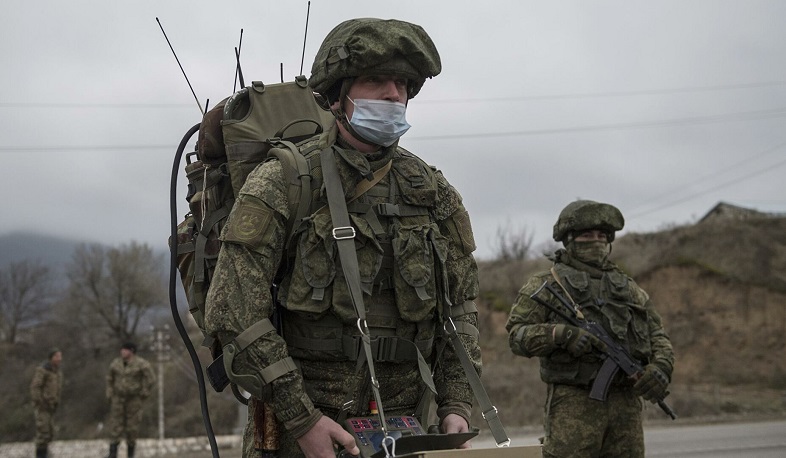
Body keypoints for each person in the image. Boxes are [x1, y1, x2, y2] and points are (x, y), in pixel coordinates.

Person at [205, 17, 481, 457]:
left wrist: (457, 406)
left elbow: (461, 313)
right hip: (300, 436)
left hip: (406, 431)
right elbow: (234, 312)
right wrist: (304, 421)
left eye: (403, 83)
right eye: (376, 80)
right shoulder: (284, 180)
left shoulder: (432, 192)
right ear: (337, 96)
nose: (394, 94)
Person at [505, 200, 675, 457]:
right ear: (569, 239)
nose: (596, 242)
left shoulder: (628, 288)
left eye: (602, 236)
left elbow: (658, 337)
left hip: (626, 407)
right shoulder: (548, 283)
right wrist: (560, 335)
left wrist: (660, 368)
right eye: (587, 236)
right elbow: (517, 335)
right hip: (574, 405)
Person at [104, 342, 155, 458]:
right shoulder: (116, 364)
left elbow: (151, 379)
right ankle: (112, 453)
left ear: (131, 351)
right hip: (118, 399)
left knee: (132, 428)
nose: (122, 352)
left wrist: (144, 393)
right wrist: (110, 393)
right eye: (122, 349)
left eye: (125, 350)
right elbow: (109, 379)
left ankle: (130, 454)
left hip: (133, 400)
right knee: (115, 426)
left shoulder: (141, 364)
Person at [29, 348, 63, 458]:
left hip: (51, 406)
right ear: (51, 358)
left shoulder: (57, 372)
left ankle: (45, 453)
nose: (59, 359)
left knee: (50, 432)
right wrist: (39, 401)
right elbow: (35, 387)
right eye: (57, 356)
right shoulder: (43, 370)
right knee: (43, 432)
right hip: (42, 406)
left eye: (60, 356)